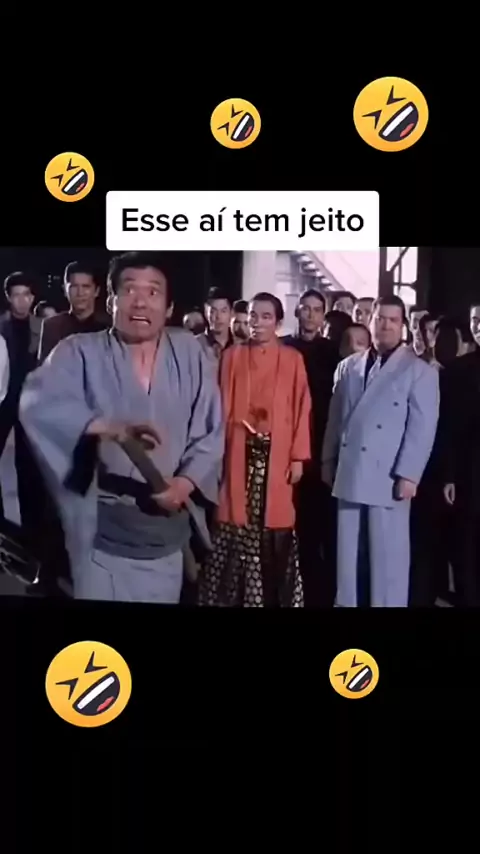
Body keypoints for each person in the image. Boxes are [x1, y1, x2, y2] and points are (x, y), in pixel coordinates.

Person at [20, 251, 224, 603]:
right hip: (100, 537)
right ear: (110, 301)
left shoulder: (189, 352)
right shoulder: (78, 351)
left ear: (169, 307)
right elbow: (36, 401)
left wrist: (186, 482)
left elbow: (211, 428)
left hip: (163, 538)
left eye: (153, 291)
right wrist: (101, 425)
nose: (140, 301)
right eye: (129, 290)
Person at [322, 295, 439, 607]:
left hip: (388, 477)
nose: (385, 325)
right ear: (370, 320)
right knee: (348, 561)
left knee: (387, 561)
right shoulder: (348, 367)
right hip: (349, 471)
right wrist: (327, 459)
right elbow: (336, 419)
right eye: (380, 318)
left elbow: (422, 427)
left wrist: (409, 474)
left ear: (402, 326)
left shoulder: (420, 371)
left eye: (393, 320)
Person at [198, 292, 311, 607]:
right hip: (237, 452)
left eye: (266, 317)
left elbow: (302, 409)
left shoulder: (292, 359)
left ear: (278, 323)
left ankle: (269, 597)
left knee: (274, 523)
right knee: (233, 518)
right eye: (253, 316)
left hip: (276, 456)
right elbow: (219, 407)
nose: (257, 322)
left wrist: (298, 456)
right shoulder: (232, 356)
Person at [282, 289, 339, 605]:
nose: (311, 315)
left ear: (323, 315)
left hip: (321, 447)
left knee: (320, 529)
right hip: (286, 446)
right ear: (297, 311)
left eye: (317, 310)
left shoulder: (332, 354)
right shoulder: (283, 348)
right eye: (306, 308)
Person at [0, 272, 43, 526]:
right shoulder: (1, 327)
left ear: (33, 297)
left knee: (28, 465)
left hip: (31, 403)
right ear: (9, 297)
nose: (21, 300)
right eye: (16, 295)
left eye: (26, 295)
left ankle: (31, 526)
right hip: (4, 400)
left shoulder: (43, 327)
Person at [38, 261, 109, 362]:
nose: (80, 293)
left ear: (96, 291)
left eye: (86, 286)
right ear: (65, 290)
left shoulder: (107, 328)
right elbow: (44, 367)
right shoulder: (52, 327)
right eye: (74, 286)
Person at [197, 287, 233, 369]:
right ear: (206, 313)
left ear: (231, 313)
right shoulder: (196, 345)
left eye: (223, 311)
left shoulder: (239, 346)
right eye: (213, 311)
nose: (218, 317)